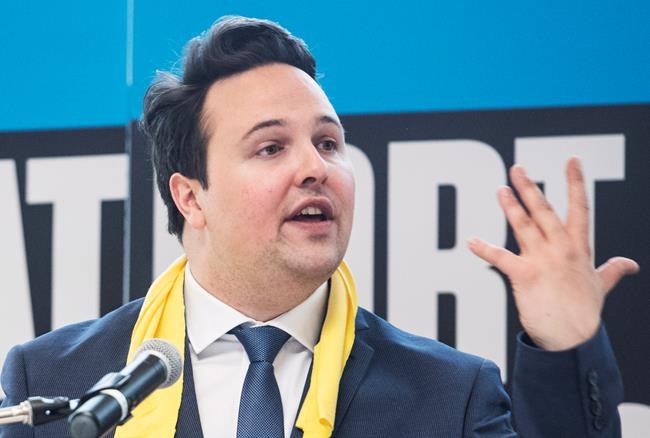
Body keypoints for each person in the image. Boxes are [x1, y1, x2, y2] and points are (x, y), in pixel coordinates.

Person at [0, 16, 639, 438]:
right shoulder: (56, 381)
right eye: (271, 147)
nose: (316, 168)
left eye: (328, 143)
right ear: (190, 197)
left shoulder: (449, 395)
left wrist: (564, 347)